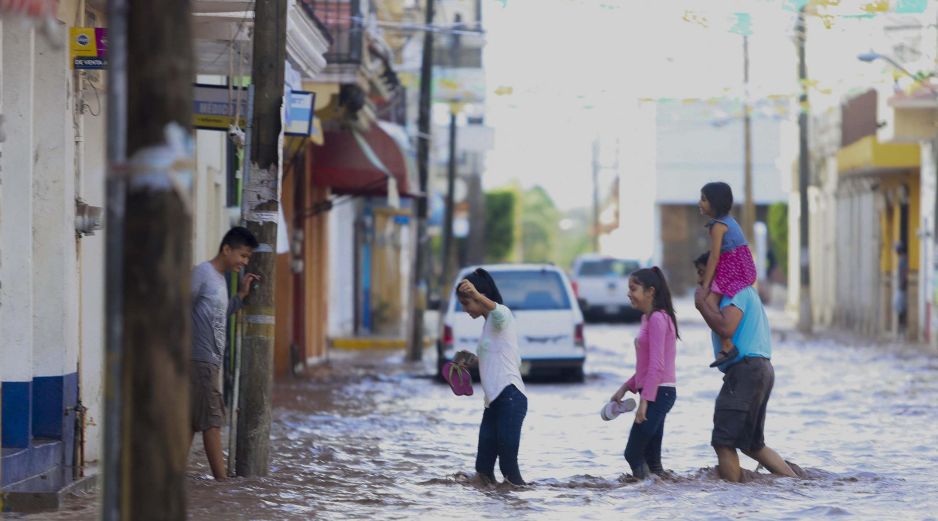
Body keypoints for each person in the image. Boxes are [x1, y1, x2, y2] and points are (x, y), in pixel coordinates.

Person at [693, 252, 801, 483]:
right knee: (751, 444)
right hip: (758, 368)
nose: (700, 281)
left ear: (717, 271)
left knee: (723, 441)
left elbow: (727, 328)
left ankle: (733, 499)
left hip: (746, 370)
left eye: (703, 273)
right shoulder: (739, 292)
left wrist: (702, 305)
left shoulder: (736, 292)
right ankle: (796, 484)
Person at [189, 226, 261, 480]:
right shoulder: (202, 273)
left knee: (191, 423)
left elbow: (219, 316)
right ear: (226, 249)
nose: (244, 262)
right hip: (199, 361)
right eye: (243, 255)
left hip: (209, 362)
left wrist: (240, 296)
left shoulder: (219, 281)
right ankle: (222, 484)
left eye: (248, 258)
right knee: (212, 422)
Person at [454, 268, 528, 486]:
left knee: (509, 471)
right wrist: (470, 359)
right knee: (483, 470)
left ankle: (520, 507)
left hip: (510, 397)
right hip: (493, 402)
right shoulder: (489, 325)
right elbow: (494, 358)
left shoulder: (501, 316)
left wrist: (477, 295)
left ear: (481, 297)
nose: (464, 308)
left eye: (466, 303)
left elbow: (498, 311)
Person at [609, 267, 679, 479]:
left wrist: (645, 402)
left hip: (659, 394)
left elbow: (657, 365)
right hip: (655, 392)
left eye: (633, 289)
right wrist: (625, 388)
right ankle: (657, 500)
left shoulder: (659, 318)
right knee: (652, 460)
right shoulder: (648, 319)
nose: (629, 293)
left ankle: (644, 493)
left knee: (633, 453)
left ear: (650, 291)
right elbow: (646, 367)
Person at [698, 182, 758, 367]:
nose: (699, 203)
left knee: (707, 302)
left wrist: (706, 285)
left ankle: (727, 344)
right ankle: (726, 345)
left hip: (734, 267)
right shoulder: (727, 222)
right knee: (711, 302)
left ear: (714, 202)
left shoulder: (719, 226)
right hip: (739, 265)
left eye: (703, 199)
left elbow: (714, 257)